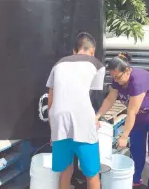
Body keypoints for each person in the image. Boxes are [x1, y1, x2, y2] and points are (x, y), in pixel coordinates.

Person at [96, 52, 149, 189]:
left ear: (128, 70)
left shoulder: (138, 79)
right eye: (112, 77)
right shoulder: (117, 79)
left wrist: (124, 136)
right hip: (139, 120)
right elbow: (110, 99)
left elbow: (132, 110)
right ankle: (135, 180)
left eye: (118, 77)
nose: (116, 80)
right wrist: (97, 116)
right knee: (136, 151)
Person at [46, 32, 105, 189]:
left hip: (59, 121)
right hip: (83, 121)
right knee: (91, 173)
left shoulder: (58, 64)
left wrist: (53, 130)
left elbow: (50, 101)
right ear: (92, 51)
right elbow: (90, 96)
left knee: (65, 171)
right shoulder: (97, 64)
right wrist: (95, 118)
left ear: (75, 50)